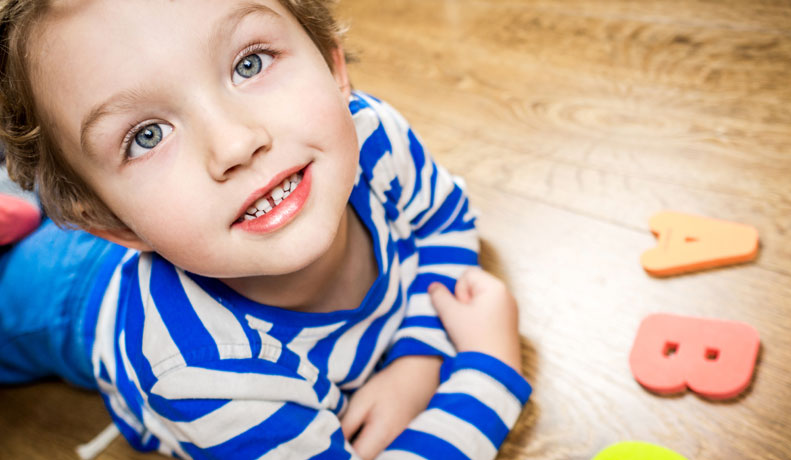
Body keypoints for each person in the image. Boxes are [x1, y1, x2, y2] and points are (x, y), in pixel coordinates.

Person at [0, 1, 531, 459]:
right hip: (70, 301)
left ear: (331, 64)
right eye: (147, 136)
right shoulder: (197, 367)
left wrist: (420, 358)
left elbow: (442, 222)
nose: (234, 143)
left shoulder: (373, 137)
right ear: (110, 220)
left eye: (249, 63)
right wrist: (488, 372)